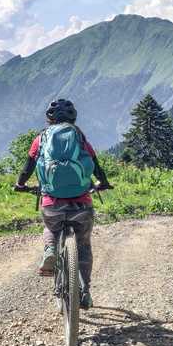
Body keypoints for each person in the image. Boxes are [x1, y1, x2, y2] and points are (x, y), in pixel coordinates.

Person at [14, 98, 112, 310]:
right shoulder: (81, 140)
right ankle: (85, 292)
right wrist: (103, 183)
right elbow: (96, 168)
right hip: (82, 206)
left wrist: (20, 184)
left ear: (49, 119)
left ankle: (50, 248)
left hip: (52, 205)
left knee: (51, 227)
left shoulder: (40, 140)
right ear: (73, 118)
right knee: (83, 243)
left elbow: (27, 168)